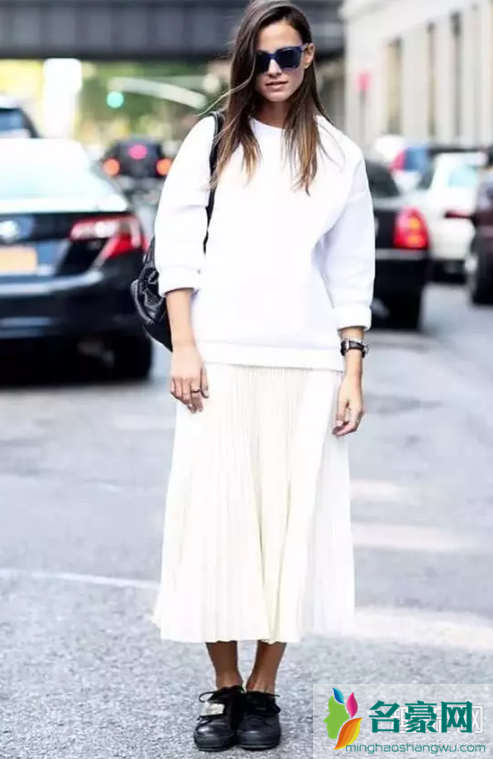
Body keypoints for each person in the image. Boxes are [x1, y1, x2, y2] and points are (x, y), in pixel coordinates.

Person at [152, 0, 375, 752]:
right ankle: (223, 687)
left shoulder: (339, 156)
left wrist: (351, 368)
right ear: (245, 60)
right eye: (261, 57)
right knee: (214, 527)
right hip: (218, 358)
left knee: (288, 532)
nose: (274, 70)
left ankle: (263, 690)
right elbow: (176, 244)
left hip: (306, 365)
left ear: (309, 57)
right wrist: (185, 345)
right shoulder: (214, 137)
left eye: (287, 55)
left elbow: (351, 270)